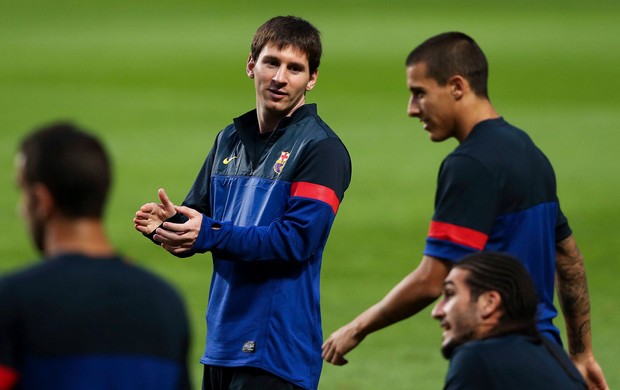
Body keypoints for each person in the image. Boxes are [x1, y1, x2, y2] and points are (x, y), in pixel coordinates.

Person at [321, 32, 608, 389]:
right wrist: (582, 354)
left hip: (496, 360)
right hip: (546, 355)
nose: (412, 109)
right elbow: (569, 259)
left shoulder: (470, 164)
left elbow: (431, 279)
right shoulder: (528, 151)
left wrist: (357, 327)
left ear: (457, 86)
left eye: (419, 92)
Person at [133, 16, 351, 390]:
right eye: (272, 62)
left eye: (295, 68)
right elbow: (198, 222)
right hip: (221, 344)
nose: (280, 78)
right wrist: (169, 225)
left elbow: (297, 241)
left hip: (275, 352)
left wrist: (208, 234)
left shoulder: (322, 149)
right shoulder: (229, 139)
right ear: (251, 66)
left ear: (311, 79)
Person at [0, 122, 191, 389]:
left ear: (42, 201)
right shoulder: (165, 303)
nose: (20, 210)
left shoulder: (12, 300)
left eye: (22, 193)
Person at [432, 252, 587, 389]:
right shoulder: (556, 356)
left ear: (489, 303)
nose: (436, 312)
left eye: (450, 293)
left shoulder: (477, 358)